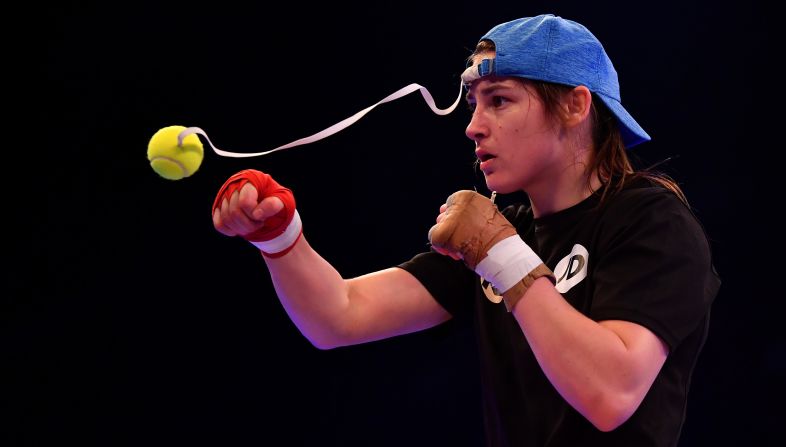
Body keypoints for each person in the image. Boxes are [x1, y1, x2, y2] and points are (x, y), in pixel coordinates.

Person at [210, 14, 720, 446]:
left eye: (498, 100)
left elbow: (610, 395)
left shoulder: (652, 221)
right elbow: (337, 317)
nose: (473, 125)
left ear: (575, 105)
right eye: (474, 101)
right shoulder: (504, 231)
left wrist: (501, 255)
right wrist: (278, 236)